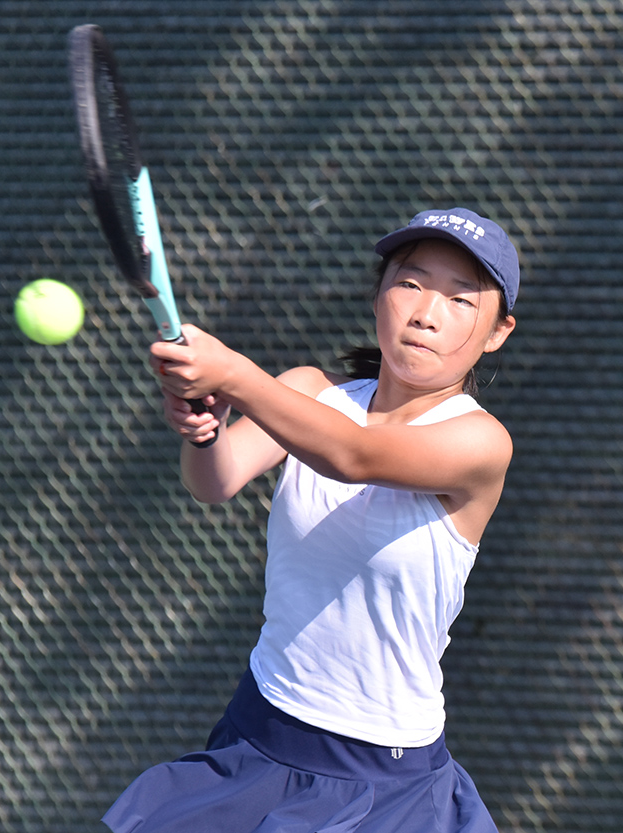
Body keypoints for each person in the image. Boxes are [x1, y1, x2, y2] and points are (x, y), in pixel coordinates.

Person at [103, 207, 519, 833]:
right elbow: (213, 482)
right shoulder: (307, 391)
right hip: (260, 731)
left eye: (461, 299)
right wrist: (203, 428)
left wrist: (234, 375)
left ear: (497, 332)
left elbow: (353, 455)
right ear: (378, 293)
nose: (426, 313)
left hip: (384, 781)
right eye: (410, 282)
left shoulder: (480, 444)